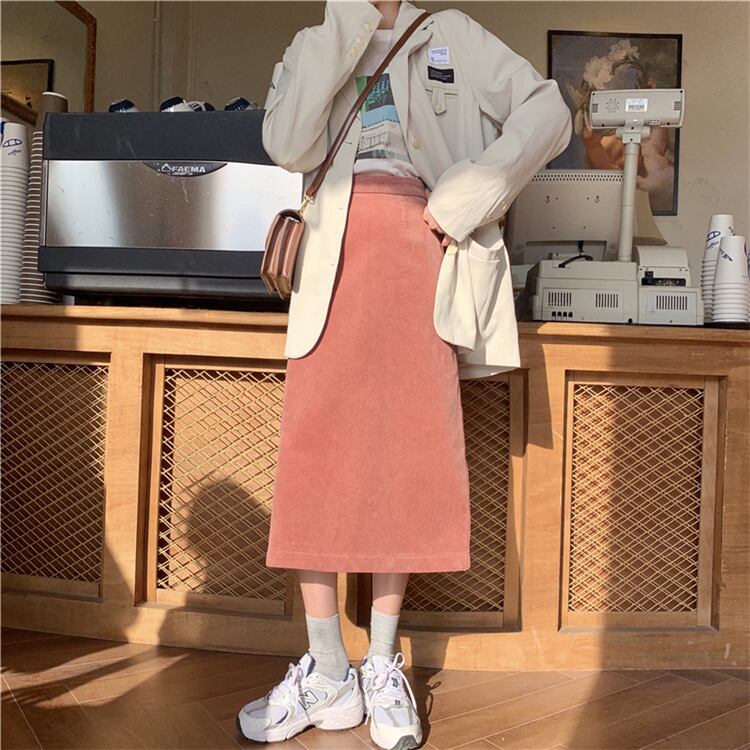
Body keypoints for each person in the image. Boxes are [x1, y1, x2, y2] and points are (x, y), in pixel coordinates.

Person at [237, 1, 572, 747]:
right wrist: (346, 22)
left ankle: (382, 663)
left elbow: (549, 110)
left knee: (408, 456)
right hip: (328, 263)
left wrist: (470, 195)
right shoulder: (318, 39)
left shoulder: (452, 34)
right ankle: (329, 671)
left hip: (420, 256)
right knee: (314, 459)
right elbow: (286, 144)